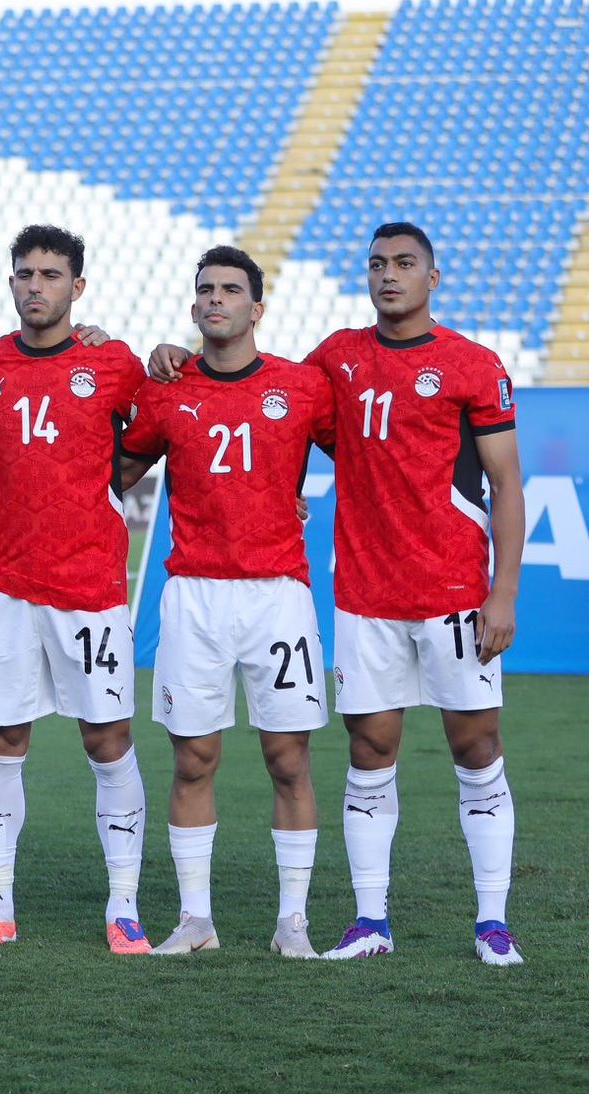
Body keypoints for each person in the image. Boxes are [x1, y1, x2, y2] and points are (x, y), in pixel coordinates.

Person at [149, 222, 526, 966]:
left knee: (477, 746)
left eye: (405, 264)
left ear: (432, 278)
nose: (390, 275)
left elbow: (507, 483)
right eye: (378, 263)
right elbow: (270, 418)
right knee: (370, 749)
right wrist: (173, 356)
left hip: (454, 589)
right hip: (363, 593)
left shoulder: (474, 365)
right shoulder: (334, 359)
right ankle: (369, 921)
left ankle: (493, 923)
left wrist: (503, 591)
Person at [0, 225, 152, 954]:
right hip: (4, 587)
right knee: (2, 739)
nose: (36, 286)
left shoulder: (113, 363)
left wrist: (105, 490)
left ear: (76, 287)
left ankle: (123, 907)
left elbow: (157, 433)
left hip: (89, 587)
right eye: (25, 274)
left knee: (108, 738)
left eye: (51, 275)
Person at [117, 246, 334, 957]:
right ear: (193, 307)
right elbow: (113, 471)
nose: (217, 299)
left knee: (289, 760)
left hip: (278, 596)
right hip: (194, 595)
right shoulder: (167, 389)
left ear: (257, 308)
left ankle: (292, 923)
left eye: (231, 290)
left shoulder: (301, 387)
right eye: (206, 289)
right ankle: (196, 921)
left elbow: (366, 458)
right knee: (193, 760)